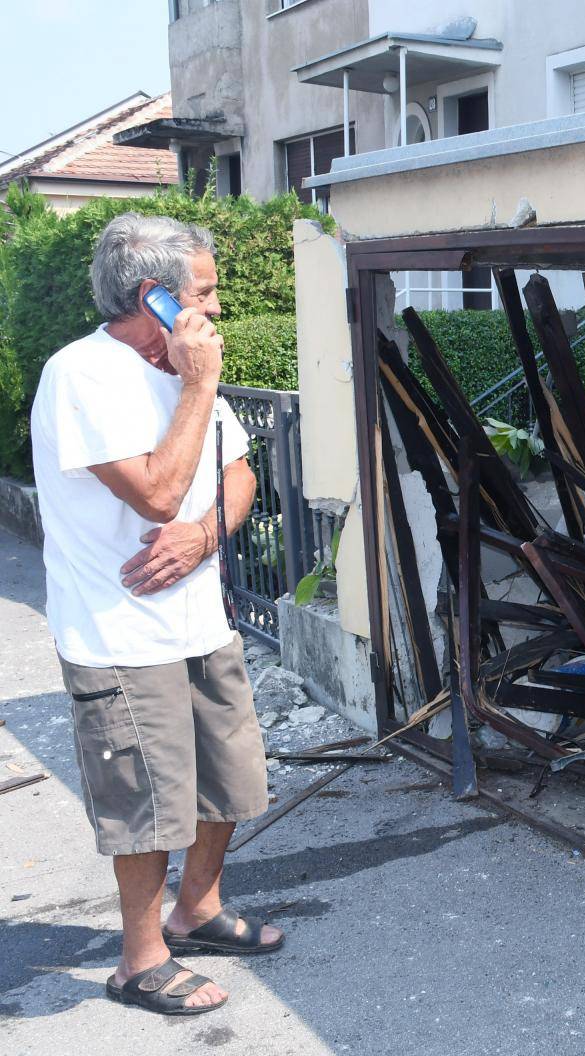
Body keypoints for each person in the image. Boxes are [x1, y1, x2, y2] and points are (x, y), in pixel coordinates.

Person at [30, 213, 283, 1016]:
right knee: (144, 802)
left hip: (198, 620)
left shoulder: (177, 366)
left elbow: (236, 473)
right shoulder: (81, 376)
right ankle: (139, 961)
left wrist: (207, 537)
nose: (217, 308)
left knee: (229, 780)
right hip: (118, 632)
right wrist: (199, 383)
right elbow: (160, 492)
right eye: (203, 292)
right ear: (157, 298)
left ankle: (198, 909)